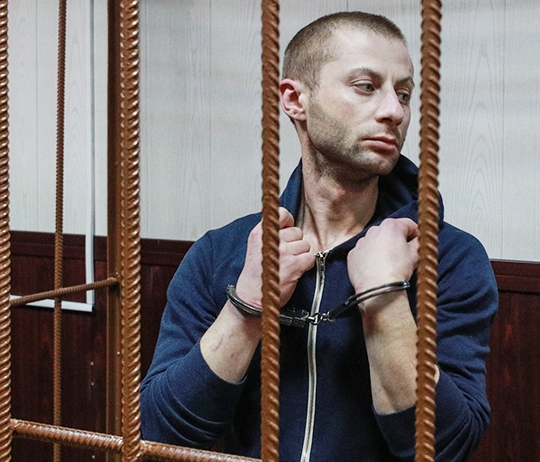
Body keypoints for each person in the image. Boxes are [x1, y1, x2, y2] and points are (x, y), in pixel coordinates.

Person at [140, 11, 498, 462]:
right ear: (295, 99)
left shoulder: (451, 256)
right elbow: (158, 433)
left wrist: (386, 300)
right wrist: (246, 306)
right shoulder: (222, 252)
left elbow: (446, 448)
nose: (395, 111)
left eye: (404, 94)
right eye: (366, 86)